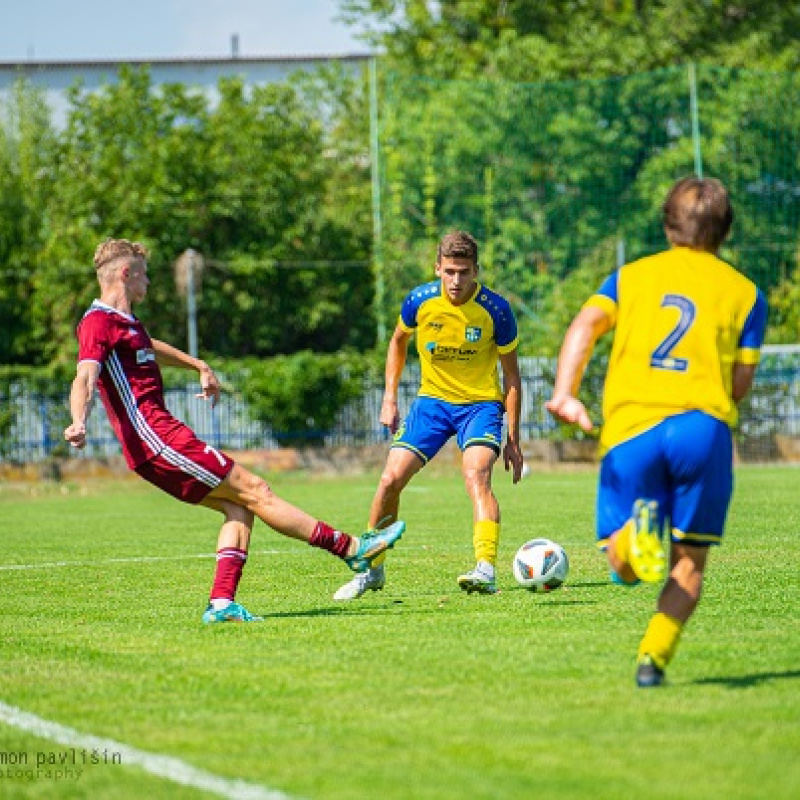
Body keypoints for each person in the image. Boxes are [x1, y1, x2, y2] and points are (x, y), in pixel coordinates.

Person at [64, 238, 404, 623]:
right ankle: (353, 549)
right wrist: (79, 420)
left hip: (155, 443)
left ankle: (222, 604)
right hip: (156, 439)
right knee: (257, 490)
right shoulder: (97, 323)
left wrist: (197, 364)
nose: (150, 283)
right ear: (126, 273)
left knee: (238, 507)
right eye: (145, 275)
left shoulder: (125, 324)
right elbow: (85, 376)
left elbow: (149, 346)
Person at [546, 177, 767, 686]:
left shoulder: (630, 277)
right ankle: (653, 661)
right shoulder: (747, 294)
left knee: (623, 566)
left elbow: (583, 327)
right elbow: (739, 385)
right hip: (702, 430)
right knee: (690, 562)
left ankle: (631, 536)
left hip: (633, 430)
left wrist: (566, 392)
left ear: (667, 223)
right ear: (726, 229)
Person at [334, 230, 524, 601]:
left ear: (476, 271)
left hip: (481, 405)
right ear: (437, 268)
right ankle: (372, 569)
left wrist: (513, 439)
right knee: (389, 480)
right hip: (431, 404)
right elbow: (397, 342)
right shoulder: (419, 302)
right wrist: (389, 398)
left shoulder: (496, 310)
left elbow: (512, 377)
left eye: (464, 272)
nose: (456, 281)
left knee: (476, 475)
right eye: (449, 271)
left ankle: (485, 568)